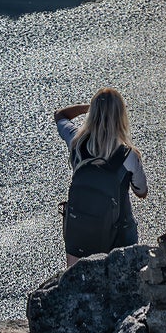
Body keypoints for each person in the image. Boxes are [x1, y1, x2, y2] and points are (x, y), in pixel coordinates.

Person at [53, 89, 148, 264]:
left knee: (76, 282)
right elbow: (142, 192)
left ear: (93, 113)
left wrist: (91, 107)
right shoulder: (129, 155)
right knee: (125, 283)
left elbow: (60, 115)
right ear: (121, 116)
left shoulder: (75, 141)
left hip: (81, 228)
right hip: (119, 232)